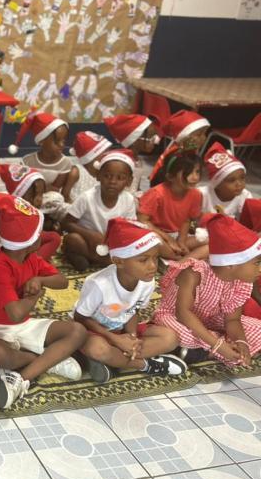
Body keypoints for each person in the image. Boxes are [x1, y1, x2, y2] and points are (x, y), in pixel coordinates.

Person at [0, 194, 86, 410]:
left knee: (78, 331)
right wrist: (36, 294)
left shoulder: (31, 258)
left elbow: (63, 281)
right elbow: (15, 314)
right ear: (28, 242)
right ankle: (42, 359)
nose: (42, 236)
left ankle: (22, 377)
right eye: (39, 233)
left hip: (25, 325)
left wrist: (40, 280)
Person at [73, 218, 187, 383]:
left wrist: (132, 338)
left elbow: (134, 310)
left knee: (171, 338)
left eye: (155, 258)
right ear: (118, 261)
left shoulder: (147, 281)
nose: (152, 266)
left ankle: (114, 360)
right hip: (95, 332)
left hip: (122, 329)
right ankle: (144, 364)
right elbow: (80, 318)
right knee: (98, 349)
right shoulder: (98, 284)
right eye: (143, 260)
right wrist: (116, 340)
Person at [152, 213, 261, 366]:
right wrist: (218, 345)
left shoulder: (240, 281)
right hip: (176, 317)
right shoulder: (194, 273)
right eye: (256, 263)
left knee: (258, 329)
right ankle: (210, 349)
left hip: (211, 319)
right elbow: (183, 314)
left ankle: (198, 352)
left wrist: (242, 343)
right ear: (231, 264)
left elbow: (232, 320)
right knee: (182, 334)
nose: (259, 269)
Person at [0, 164, 60, 263]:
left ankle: (33, 264)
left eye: (41, 194)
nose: (39, 199)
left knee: (54, 237)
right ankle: (31, 265)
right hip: (3, 254)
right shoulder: (5, 213)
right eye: (35, 194)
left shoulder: (25, 207)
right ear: (20, 192)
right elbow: (3, 248)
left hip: (21, 249)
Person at [63, 150, 138, 271]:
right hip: (87, 241)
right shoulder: (87, 197)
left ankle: (93, 259)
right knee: (73, 239)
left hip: (111, 244)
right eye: (107, 176)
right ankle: (97, 259)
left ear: (129, 181)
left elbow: (130, 228)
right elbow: (66, 223)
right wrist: (90, 235)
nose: (112, 182)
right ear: (98, 176)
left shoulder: (128, 200)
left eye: (120, 178)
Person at [138, 151, 207, 261]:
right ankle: (182, 260)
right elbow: (142, 220)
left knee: (209, 240)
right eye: (188, 172)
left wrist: (181, 241)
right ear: (171, 176)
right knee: (154, 241)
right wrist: (168, 239)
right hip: (155, 233)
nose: (195, 177)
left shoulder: (196, 194)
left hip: (176, 235)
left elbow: (187, 220)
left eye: (197, 171)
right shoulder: (156, 193)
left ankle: (181, 259)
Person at [11, 111, 79, 203]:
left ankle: (66, 195)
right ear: (41, 141)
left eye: (63, 140)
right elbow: (24, 185)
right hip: (32, 195)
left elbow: (55, 189)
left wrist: (39, 188)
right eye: (56, 141)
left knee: (74, 172)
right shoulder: (27, 161)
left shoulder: (64, 163)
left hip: (52, 196)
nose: (62, 145)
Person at [149, 110, 210, 186]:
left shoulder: (190, 149)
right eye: (199, 135)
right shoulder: (177, 154)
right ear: (183, 137)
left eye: (204, 133)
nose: (204, 138)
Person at [104, 113, 160, 194]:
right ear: (134, 140)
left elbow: (135, 188)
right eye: (151, 137)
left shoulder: (138, 161)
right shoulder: (119, 164)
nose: (156, 141)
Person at [198, 142, 252, 219]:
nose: (239, 184)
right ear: (217, 184)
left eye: (242, 178)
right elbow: (190, 218)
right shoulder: (202, 195)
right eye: (231, 180)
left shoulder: (245, 195)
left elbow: (248, 221)